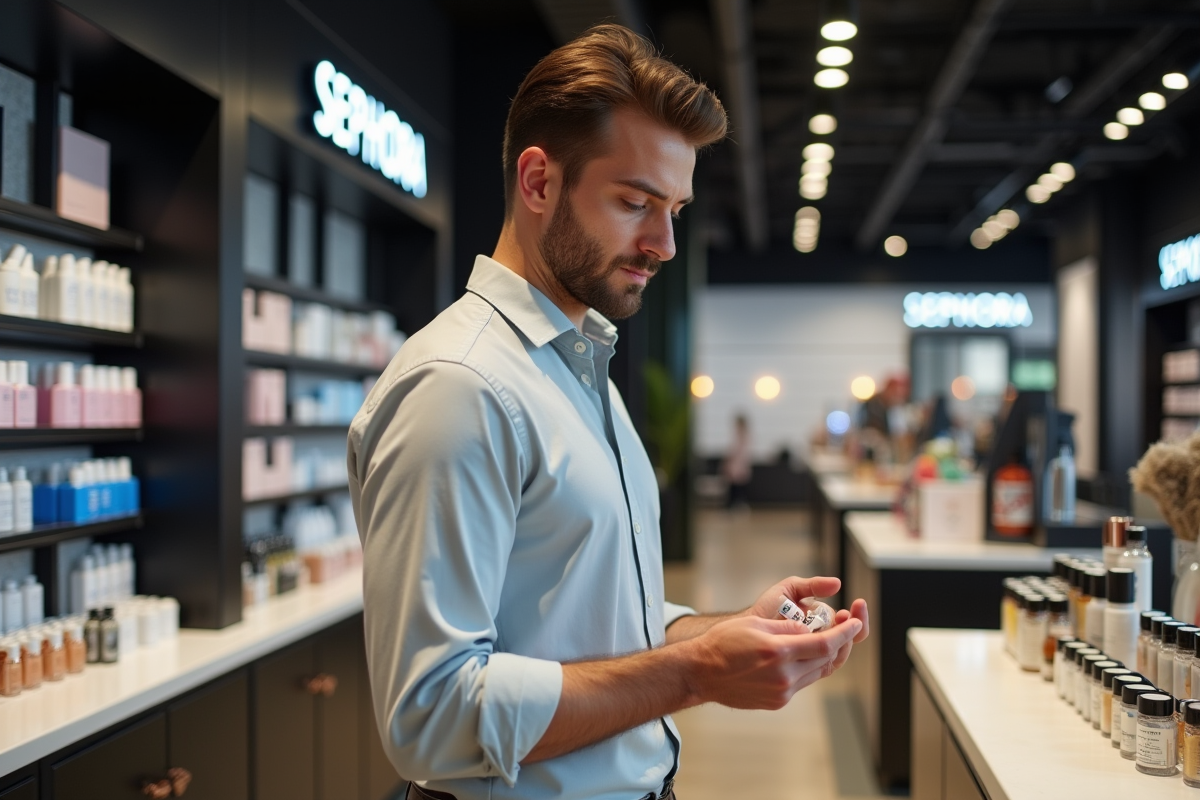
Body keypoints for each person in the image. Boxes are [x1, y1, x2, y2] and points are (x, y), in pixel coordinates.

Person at [347, 25, 869, 800]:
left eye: (676, 210)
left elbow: (592, 622)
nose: (661, 242)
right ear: (538, 183)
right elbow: (431, 715)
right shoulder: (460, 388)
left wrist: (718, 635)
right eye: (634, 202)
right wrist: (695, 673)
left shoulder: (579, 368)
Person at [722, 413, 752, 508]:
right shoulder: (738, 436)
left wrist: (734, 465)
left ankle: (738, 505)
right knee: (734, 487)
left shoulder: (744, 437)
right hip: (736, 465)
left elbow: (740, 453)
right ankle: (732, 506)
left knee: (738, 488)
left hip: (739, 465)